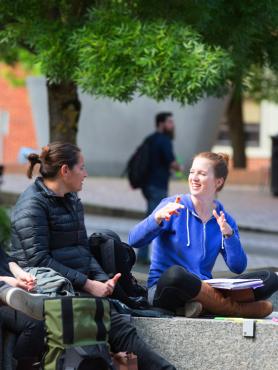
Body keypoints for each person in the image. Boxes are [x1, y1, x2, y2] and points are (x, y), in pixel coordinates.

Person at [10, 142, 176, 370]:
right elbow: (38, 260)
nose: (86, 174)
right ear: (65, 171)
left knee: (117, 320)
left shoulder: (72, 201)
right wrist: (88, 284)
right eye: (82, 167)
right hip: (49, 289)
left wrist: (101, 281)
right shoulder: (31, 206)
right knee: (117, 325)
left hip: (78, 286)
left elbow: (83, 250)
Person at [129, 152, 278, 318]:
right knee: (176, 274)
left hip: (205, 289)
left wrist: (229, 236)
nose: (194, 177)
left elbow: (238, 267)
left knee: (269, 278)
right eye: (192, 172)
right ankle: (233, 309)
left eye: (202, 173)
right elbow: (134, 240)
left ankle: (200, 307)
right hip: (166, 289)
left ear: (218, 182)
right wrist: (156, 219)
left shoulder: (224, 219)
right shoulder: (172, 205)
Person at [138, 112, 182, 264]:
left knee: (152, 217)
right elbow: (172, 162)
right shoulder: (164, 140)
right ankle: (145, 255)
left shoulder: (150, 139)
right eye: (170, 122)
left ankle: (144, 254)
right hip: (158, 185)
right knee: (156, 219)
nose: (172, 125)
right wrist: (179, 167)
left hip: (147, 185)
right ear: (161, 124)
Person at [0, 246, 45, 369]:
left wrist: (21, 274)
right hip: (4, 292)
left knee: (37, 324)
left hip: (12, 291)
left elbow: (7, 260)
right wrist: (7, 280)